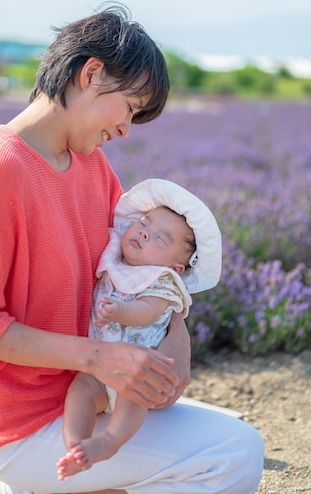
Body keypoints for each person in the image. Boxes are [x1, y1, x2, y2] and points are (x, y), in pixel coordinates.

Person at [0, 4, 264, 494]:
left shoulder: (92, 168)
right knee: (235, 453)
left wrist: (176, 335)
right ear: (91, 73)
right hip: (24, 425)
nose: (126, 129)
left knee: (221, 437)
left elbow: (137, 268)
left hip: (92, 399)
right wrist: (96, 358)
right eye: (130, 108)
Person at [57, 178, 222, 481]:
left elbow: (147, 312)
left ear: (176, 268)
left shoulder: (162, 282)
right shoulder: (114, 260)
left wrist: (121, 311)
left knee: (134, 399)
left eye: (161, 238)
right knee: (80, 390)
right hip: (97, 368)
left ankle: (110, 441)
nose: (145, 232)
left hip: (138, 369)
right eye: (144, 222)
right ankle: (76, 444)